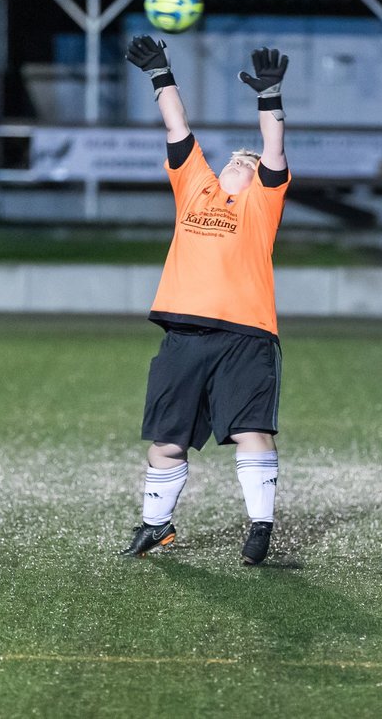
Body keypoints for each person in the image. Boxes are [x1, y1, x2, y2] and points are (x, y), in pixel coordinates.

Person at [118, 36, 291, 566]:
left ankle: (260, 529)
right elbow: (177, 127)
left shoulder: (262, 203)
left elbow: (275, 146)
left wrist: (271, 97)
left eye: (249, 159)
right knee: (165, 442)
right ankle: (156, 526)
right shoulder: (195, 189)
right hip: (184, 336)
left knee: (251, 432)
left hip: (244, 336)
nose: (241, 160)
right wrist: (160, 71)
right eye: (236, 157)